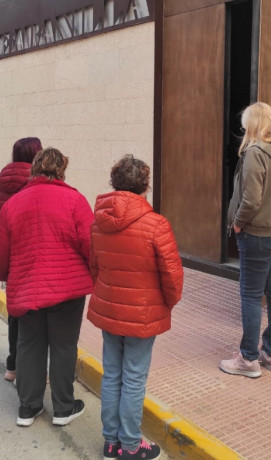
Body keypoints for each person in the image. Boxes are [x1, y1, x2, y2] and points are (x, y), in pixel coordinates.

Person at [87, 154, 184, 460]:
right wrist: (167, 303)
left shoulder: (99, 222)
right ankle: (130, 445)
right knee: (133, 378)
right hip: (142, 315)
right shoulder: (156, 224)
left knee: (113, 373)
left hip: (110, 311)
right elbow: (172, 275)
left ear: (115, 183)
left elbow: (95, 267)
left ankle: (111, 442)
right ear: (145, 186)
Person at [0, 147, 93, 427]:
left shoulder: (14, 203)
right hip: (67, 289)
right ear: (61, 170)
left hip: (26, 288)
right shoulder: (75, 200)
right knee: (63, 346)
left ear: (35, 168)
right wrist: (93, 273)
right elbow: (90, 245)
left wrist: (4, 274)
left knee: (29, 345)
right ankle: (63, 407)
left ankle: (28, 407)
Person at [220, 102, 271, 378]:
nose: (242, 131)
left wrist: (238, 224)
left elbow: (251, 200)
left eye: (244, 126)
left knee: (251, 295)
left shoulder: (256, 153)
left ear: (254, 125)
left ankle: (248, 358)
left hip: (259, 234)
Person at [0, 137, 43, 382]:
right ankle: (36, 369)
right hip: (31, 258)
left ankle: (12, 365)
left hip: (9, 260)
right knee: (37, 316)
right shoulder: (35, 186)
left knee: (15, 313)